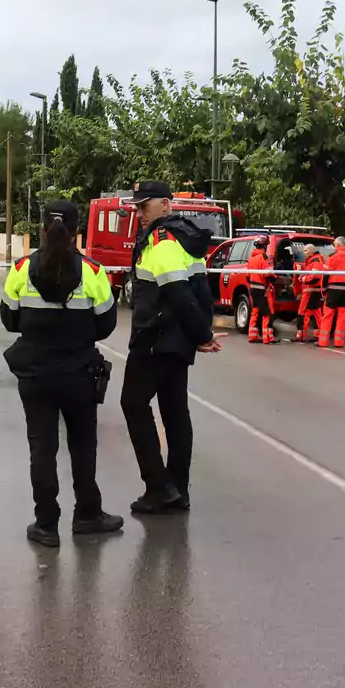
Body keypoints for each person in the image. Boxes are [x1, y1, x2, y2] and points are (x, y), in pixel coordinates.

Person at [1, 200, 124, 547]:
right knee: (83, 447)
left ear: (42, 230)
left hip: (36, 376)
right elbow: (106, 326)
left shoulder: (21, 269)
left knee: (42, 449)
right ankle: (87, 515)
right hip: (79, 375)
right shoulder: (94, 272)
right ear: (77, 233)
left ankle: (46, 524)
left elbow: (9, 320)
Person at [121, 180, 223, 514]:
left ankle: (159, 486)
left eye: (144, 206)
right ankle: (178, 489)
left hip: (154, 339)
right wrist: (197, 335)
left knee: (133, 404)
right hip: (175, 342)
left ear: (166, 205)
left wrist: (202, 335)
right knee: (175, 412)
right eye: (137, 207)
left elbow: (181, 295)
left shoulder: (163, 242)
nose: (139, 213)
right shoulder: (183, 238)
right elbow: (201, 292)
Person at [318, 236, 345, 349]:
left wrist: (324, 290)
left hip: (333, 290)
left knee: (327, 316)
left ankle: (323, 342)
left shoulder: (332, 257)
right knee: (342, 317)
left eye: (334, 244)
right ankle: (339, 342)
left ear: (337, 245)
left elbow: (325, 275)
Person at [246, 236, 275, 344]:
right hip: (262, 288)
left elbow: (247, 276)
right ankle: (267, 338)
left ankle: (252, 336)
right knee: (266, 313)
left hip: (253, 288)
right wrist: (278, 281)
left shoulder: (251, 258)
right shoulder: (264, 257)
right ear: (264, 246)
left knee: (255, 311)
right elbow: (269, 275)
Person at [294, 243, 325, 343]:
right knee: (317, 314)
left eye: (306, 251)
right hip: (314, 291)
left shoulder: (315, 260)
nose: (304, 253)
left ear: (311, 251)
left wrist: (302, 279)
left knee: (303, 313)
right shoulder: (314, 260)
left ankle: (301, 336)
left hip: (310, 292)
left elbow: (314, 277)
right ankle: (319, 335)